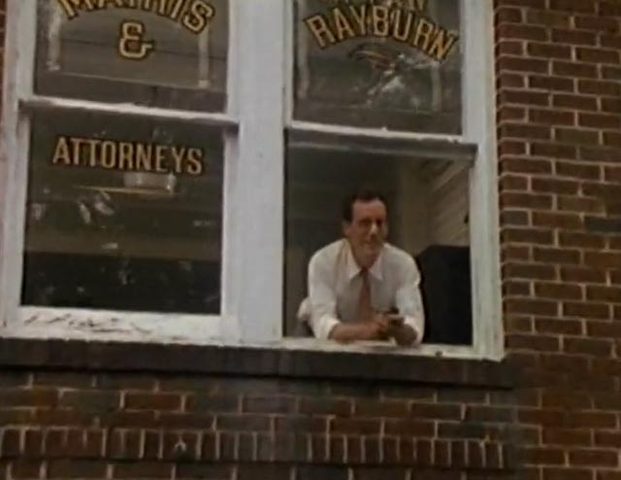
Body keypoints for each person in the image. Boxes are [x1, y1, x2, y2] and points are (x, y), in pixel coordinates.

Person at [298, 188, 424, 346]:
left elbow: (415, 328)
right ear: (347, 228)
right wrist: (373, 330)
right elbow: (324, 327)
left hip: (380, 347)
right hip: (317, 342)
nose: (374, 231)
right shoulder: (324, 262)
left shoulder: (403, 265)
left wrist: (396, 330)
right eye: (365, 223)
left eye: (379, 223)